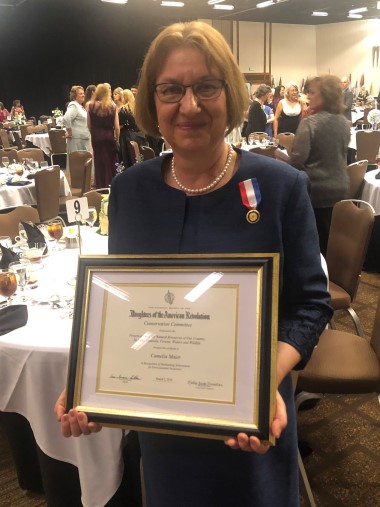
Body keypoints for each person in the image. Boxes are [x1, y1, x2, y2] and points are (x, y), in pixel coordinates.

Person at [55, 21, 332, 507]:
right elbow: (125, 307)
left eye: (206, 86)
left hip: (253, 421)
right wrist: (93, 383)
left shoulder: (282, 187)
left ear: (231, 93)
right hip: (164, 431)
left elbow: (310, 307)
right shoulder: (130, 191)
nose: (189, 105)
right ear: (150, 100)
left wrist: (264, 380)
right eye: (171, 89)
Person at [290, 75, 350, 257]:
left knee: (314, 244)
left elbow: (298, 159)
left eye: (312, 92)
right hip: (340, 188)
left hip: (315, 191)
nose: (308, 96)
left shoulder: (310, 123)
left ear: (325, 95)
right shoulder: (344, 123)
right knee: (331, 241)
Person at [87, 83, 120, 188]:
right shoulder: (113, 106)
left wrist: (94, 133)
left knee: (99, 162)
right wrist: (117, 138)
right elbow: (117, 127)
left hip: (96, 137)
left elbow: (88, 124)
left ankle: (100, 186)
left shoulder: (90, 106)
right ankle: (111, 185)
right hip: (109, 136)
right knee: (110, 162)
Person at [63, 85, 91, 160]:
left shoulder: (79, 106)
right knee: (78, 166)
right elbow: (66, 118)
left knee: (84, 166)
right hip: (77, 141)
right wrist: (69, 131)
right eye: (80, 93)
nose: (83, 95)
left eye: (83, 93)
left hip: (82, 140)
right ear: (75, 95)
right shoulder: (74, 105)